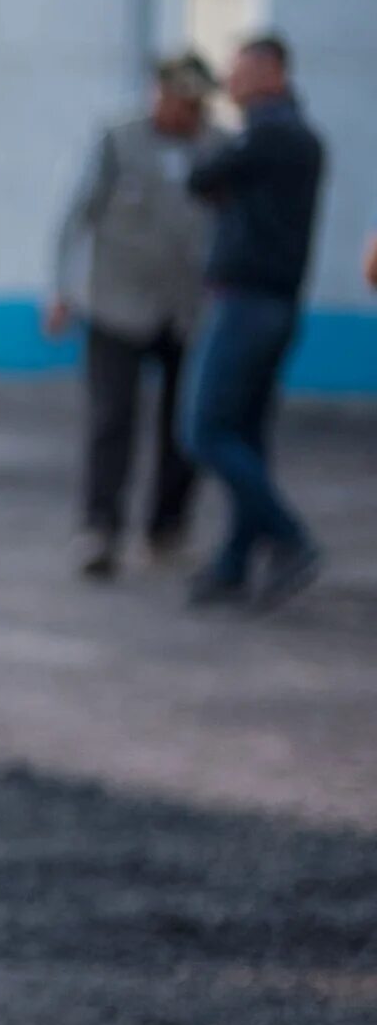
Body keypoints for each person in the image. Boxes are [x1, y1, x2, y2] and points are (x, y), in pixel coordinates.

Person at [45, 55, 215, 577]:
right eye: (168, 97)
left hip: (188, 309)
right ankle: (101, 530)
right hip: (117, 306)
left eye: (188, 102)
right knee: (111, 420)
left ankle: (167, 529)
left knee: (183, 426)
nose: (175, 109)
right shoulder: (119, 141)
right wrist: (62, 291)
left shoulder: (218, 147)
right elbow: (76, 218)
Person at [180, 33, 327, 610]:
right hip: (274, 306)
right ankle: (235, 564)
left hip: (246, 305)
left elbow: (201, 178)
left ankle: (289, 538)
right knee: (243, 436)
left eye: (239, 73)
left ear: (271, 75)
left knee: (205, 431)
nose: (230, 84)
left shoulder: (269, 133)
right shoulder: (299, 137)